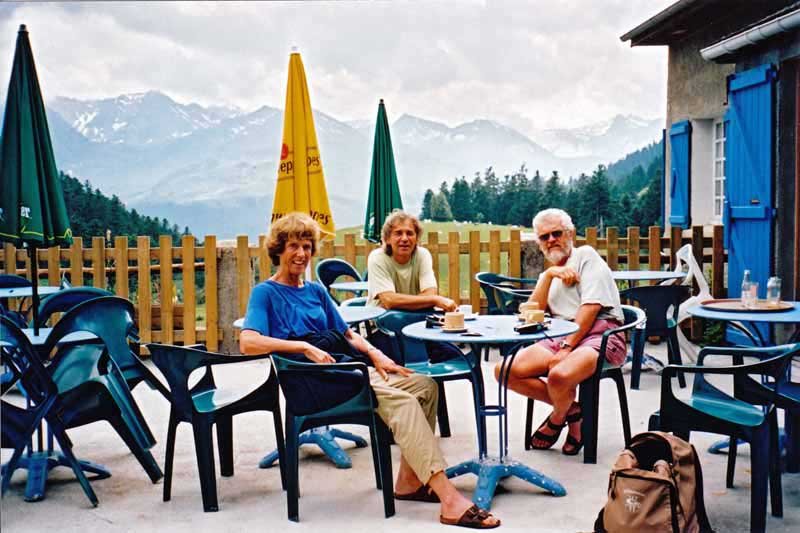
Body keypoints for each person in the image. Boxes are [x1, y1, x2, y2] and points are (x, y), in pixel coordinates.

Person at [240, 212, 499, 529]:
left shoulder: (316, 291)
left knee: (424, 386)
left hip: (346, 368)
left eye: (307, 246)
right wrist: (303, 347)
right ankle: (449, 499)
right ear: (278, 249)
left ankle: (408, 482)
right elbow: (248, 342)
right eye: (293, 246)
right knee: (401, 402)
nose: (301, 254)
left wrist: (377, 355)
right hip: (312, 380)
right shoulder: (266, 293)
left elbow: (348, 335)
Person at [495, 208, 625, 456]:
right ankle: (574, 411)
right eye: (545, 237)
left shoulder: (586, 256)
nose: (551, 240)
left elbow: (591, 307)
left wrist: (567, 348)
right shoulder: (552, 271)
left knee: (558, 375)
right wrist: (547, 276)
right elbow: (530, 312)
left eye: (557, 233)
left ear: (571, 233)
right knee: (504, 371)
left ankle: (558, 418)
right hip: (560, 335)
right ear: (539, 243)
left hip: (600, 334)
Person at [367, 210, 457, 312]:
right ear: (387, 239)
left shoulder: (423, 255)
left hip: (414, 317)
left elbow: (430, 292)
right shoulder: (377, 258)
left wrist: (429, 298)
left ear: (417, 238)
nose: (405, 238)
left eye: (410, 233)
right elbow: (389, 300)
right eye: (398, 233)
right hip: (379, 322)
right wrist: (433, 300)